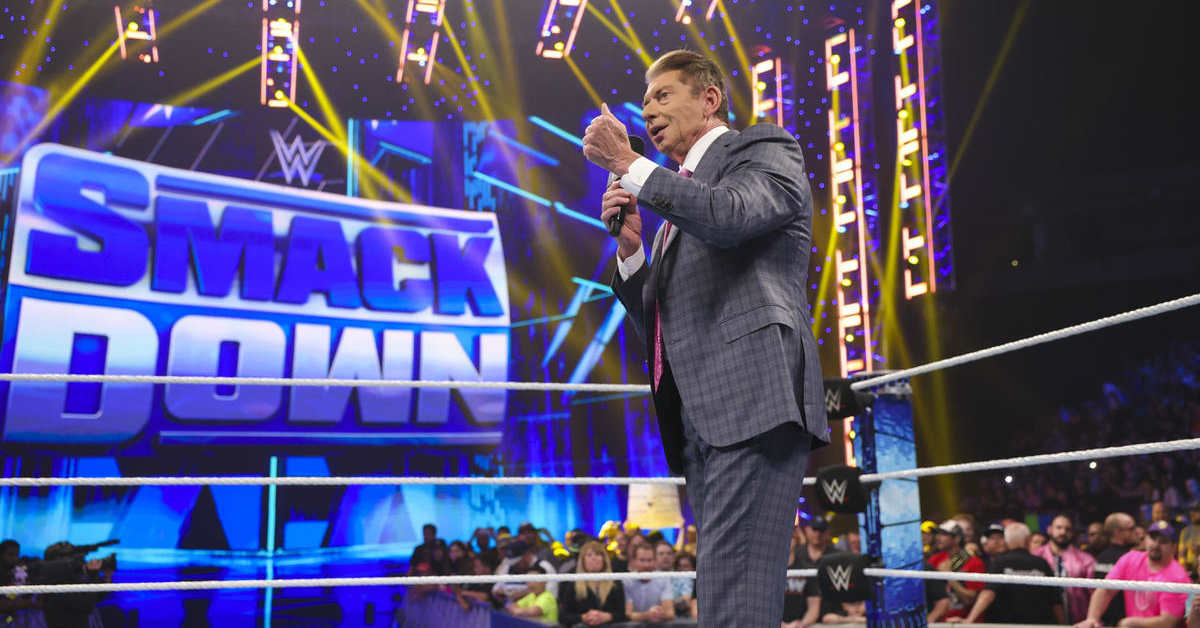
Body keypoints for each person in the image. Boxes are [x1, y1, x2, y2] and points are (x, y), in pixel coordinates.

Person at [583, 48, 827, 626]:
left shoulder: (760, 149)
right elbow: (662, 327)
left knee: (736, 599)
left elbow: (731, 215)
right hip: (702, 419)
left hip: (751, 403)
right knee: (722, 597)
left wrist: (630, 164)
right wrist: (632, 250)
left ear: (710, 99)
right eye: (644, 103)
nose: (649, 112)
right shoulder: (675, 210)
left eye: (663, 96)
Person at [1073, 520, 1190, 628]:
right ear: (1145, 539)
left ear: (1174, 547)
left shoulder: (1178, 577)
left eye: (1163, 541)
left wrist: (1132, 623)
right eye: (1153, 538)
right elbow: (1105, 590)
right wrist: (1092, 619)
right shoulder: (1130, 559)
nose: (1156, 545)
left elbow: (1168, 622)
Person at [951, 523, 1064, 624]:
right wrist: (1063, 625)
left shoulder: (1000, 562)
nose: (996, 541)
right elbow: (1055, 600)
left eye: (999, 537)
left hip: (1007, 623)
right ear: (1028, 540)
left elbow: (988, 593)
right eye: (991, 538)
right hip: (1037, 623)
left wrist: (969, 620)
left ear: (1006, 541)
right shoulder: (1041, 563)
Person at [1032, 514, 1095, 623]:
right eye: (1059, 527)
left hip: (1078, 620)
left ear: (1072, 532)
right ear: (1049, 529)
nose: (1063, 532)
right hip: (1042, 619)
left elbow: (1094, 594)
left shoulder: (1086, 560)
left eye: (1067, 529)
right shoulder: (1036, 556)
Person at [783, 515, 840, 628]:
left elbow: (814, 606)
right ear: (807, 530)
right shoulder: (798, 554)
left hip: (824, 615)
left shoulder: (836, 556)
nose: (817, 534)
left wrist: (801, 624)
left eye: (821, 530)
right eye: (814, 529)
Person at [557, 541, 627, 627]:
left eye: (597, 554)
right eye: (589, 555)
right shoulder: (573, 585)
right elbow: (563, 616)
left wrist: (608, 616)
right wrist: (583, 617)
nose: (594, 558)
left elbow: (623, 614)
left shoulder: (615, 583)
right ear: (583, 561)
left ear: (604, 559)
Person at [928, 520, 986, 619]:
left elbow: (970, 600)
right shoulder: (934, 559)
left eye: (943, 534)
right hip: (939, 621)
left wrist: (949, 577)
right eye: (937, 534)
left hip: (963, 621)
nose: (938, 537)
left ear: (957, 539)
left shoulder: (974, 562)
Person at [1093, 511, 1137, 626]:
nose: (1136, 532)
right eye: (1131, 528)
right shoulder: (1130, 558)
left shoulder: (1101, 556)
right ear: (1118, 532)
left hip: (1108, 620)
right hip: (1123, 620)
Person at [624, 544, 675, 624]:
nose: (646, 565)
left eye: (649, 560)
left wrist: (659, 613)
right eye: (642, 560)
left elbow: (670, 613)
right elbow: (628, 614)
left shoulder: (663, 578)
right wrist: (648, 615)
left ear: (655, 561)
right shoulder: (627, 581)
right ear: (634, 561)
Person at [1178, 502, 1200, 577]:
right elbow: (1181, 554)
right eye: (1191, 511)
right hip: (1190, 572)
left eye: (1196, 511)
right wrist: (1184, 572)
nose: (1192, 513)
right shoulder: (1186, 531)